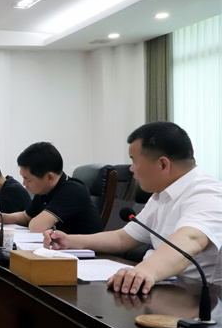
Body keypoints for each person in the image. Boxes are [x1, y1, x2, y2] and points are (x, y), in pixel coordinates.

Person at [45, 122, 222, 295]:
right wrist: (71, 241)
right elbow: (123, 238)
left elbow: (191, 238)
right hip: (159, 288)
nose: (131, 169)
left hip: (196, 297)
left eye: (133, 160)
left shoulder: (207, 194)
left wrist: (145, 270)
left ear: (163, 164)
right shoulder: (161, 194)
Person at [0, 142, 103, 234]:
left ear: (49, 177)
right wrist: (1, 217)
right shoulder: (45, 190)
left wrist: (32, 222)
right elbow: (26, 216)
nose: (24, 183)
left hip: (85, 254)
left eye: (28, 179)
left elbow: (36, 227)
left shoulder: (73, 190)